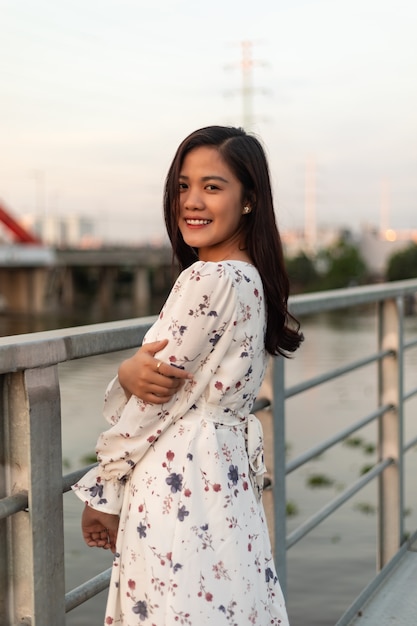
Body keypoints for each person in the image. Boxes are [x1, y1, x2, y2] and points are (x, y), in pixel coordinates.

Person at [72, 125, 303, 625]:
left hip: (181, 485)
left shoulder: (208, 277)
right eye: (182, 186)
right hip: (222, 479)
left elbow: (156, 395)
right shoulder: (248, 276)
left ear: (248, 201)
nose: (191, 202)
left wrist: (104, 490)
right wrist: (133, 371)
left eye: (212, 186)